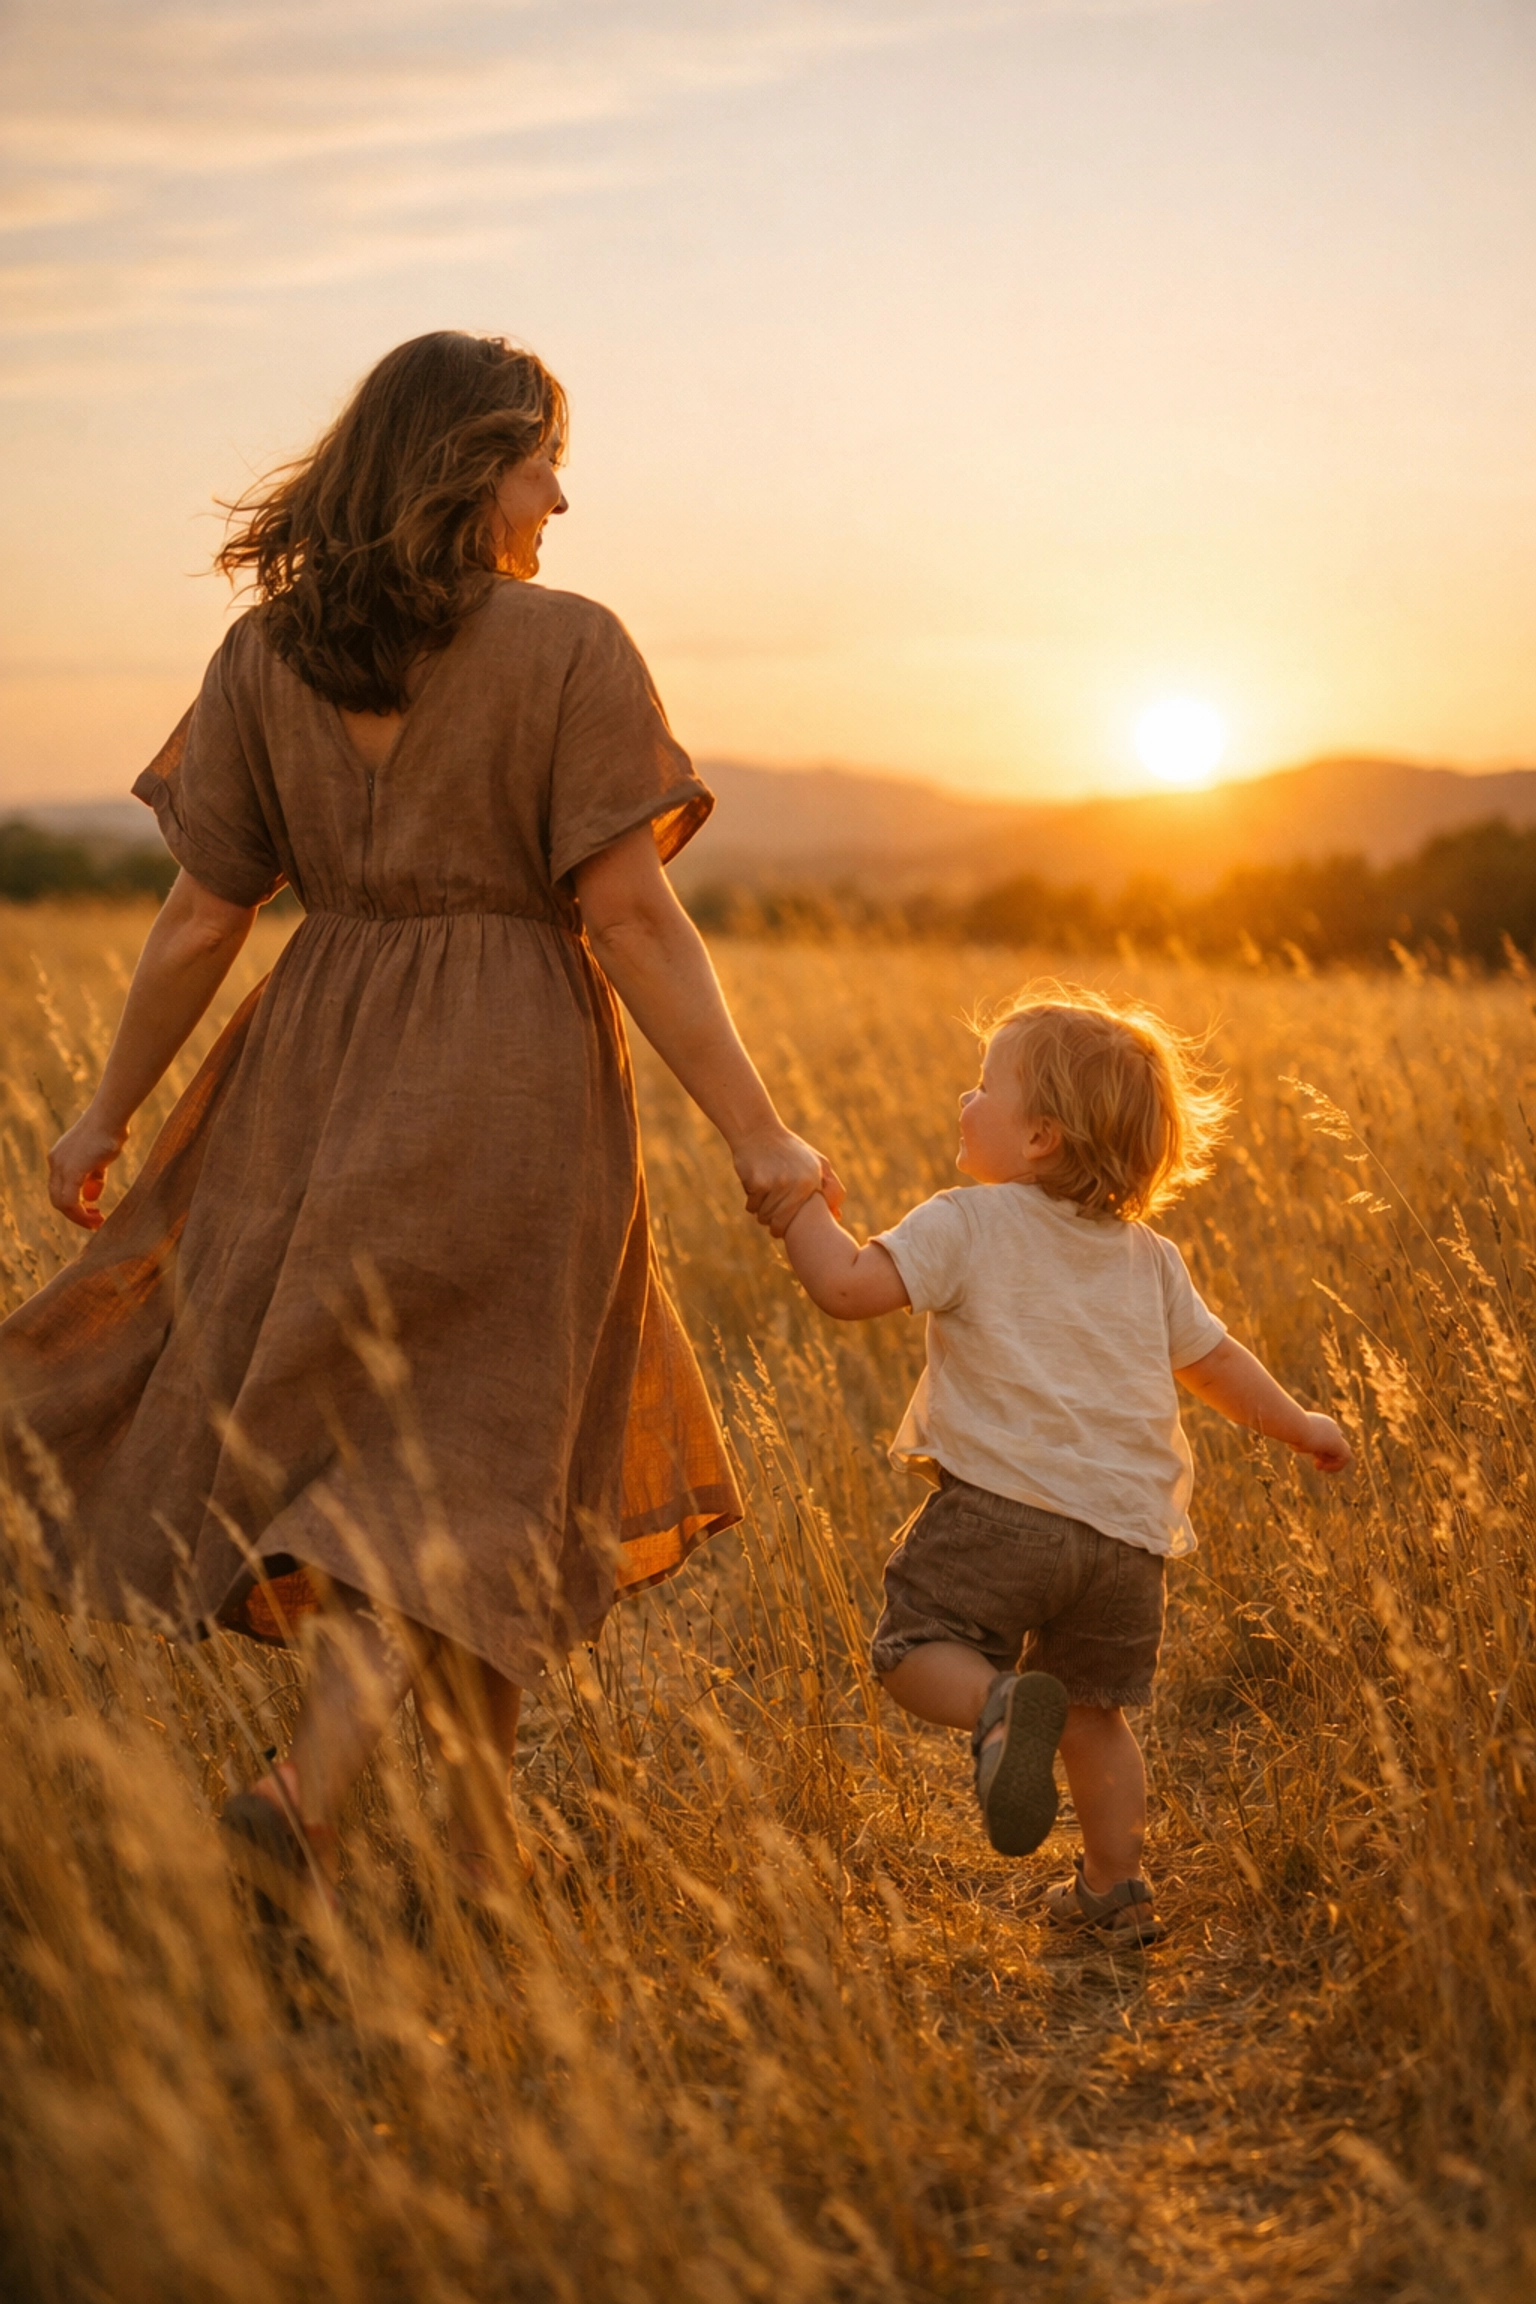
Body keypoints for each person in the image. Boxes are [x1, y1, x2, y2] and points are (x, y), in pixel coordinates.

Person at [0, 330, 837, 1925]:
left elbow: (201, 918)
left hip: (309, 1073)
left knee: (444, 1452)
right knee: (460, 1462)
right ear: (468, 464)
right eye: (542, 460)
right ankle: (306, 1791)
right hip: (511, 1074)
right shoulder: (570, 646)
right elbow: (632, 916)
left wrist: (107, 1112)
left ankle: (479, 1866)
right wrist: (762, 1136)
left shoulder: (265, 656)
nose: (561, 499)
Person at [781, 982, 1350, 1945]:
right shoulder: (1150, 1259)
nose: (965, 1100)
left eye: (983, 1086)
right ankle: (1116, 1892)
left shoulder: (967, 1219)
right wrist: (1301, 1426)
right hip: (1128, 1543)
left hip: (999, 1513)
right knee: (1096, 1715)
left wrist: (798, 1206)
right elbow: (1215, 1364)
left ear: (1040, 1136)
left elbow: (844, 1287)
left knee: (913, 1649)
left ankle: (999, 1704)